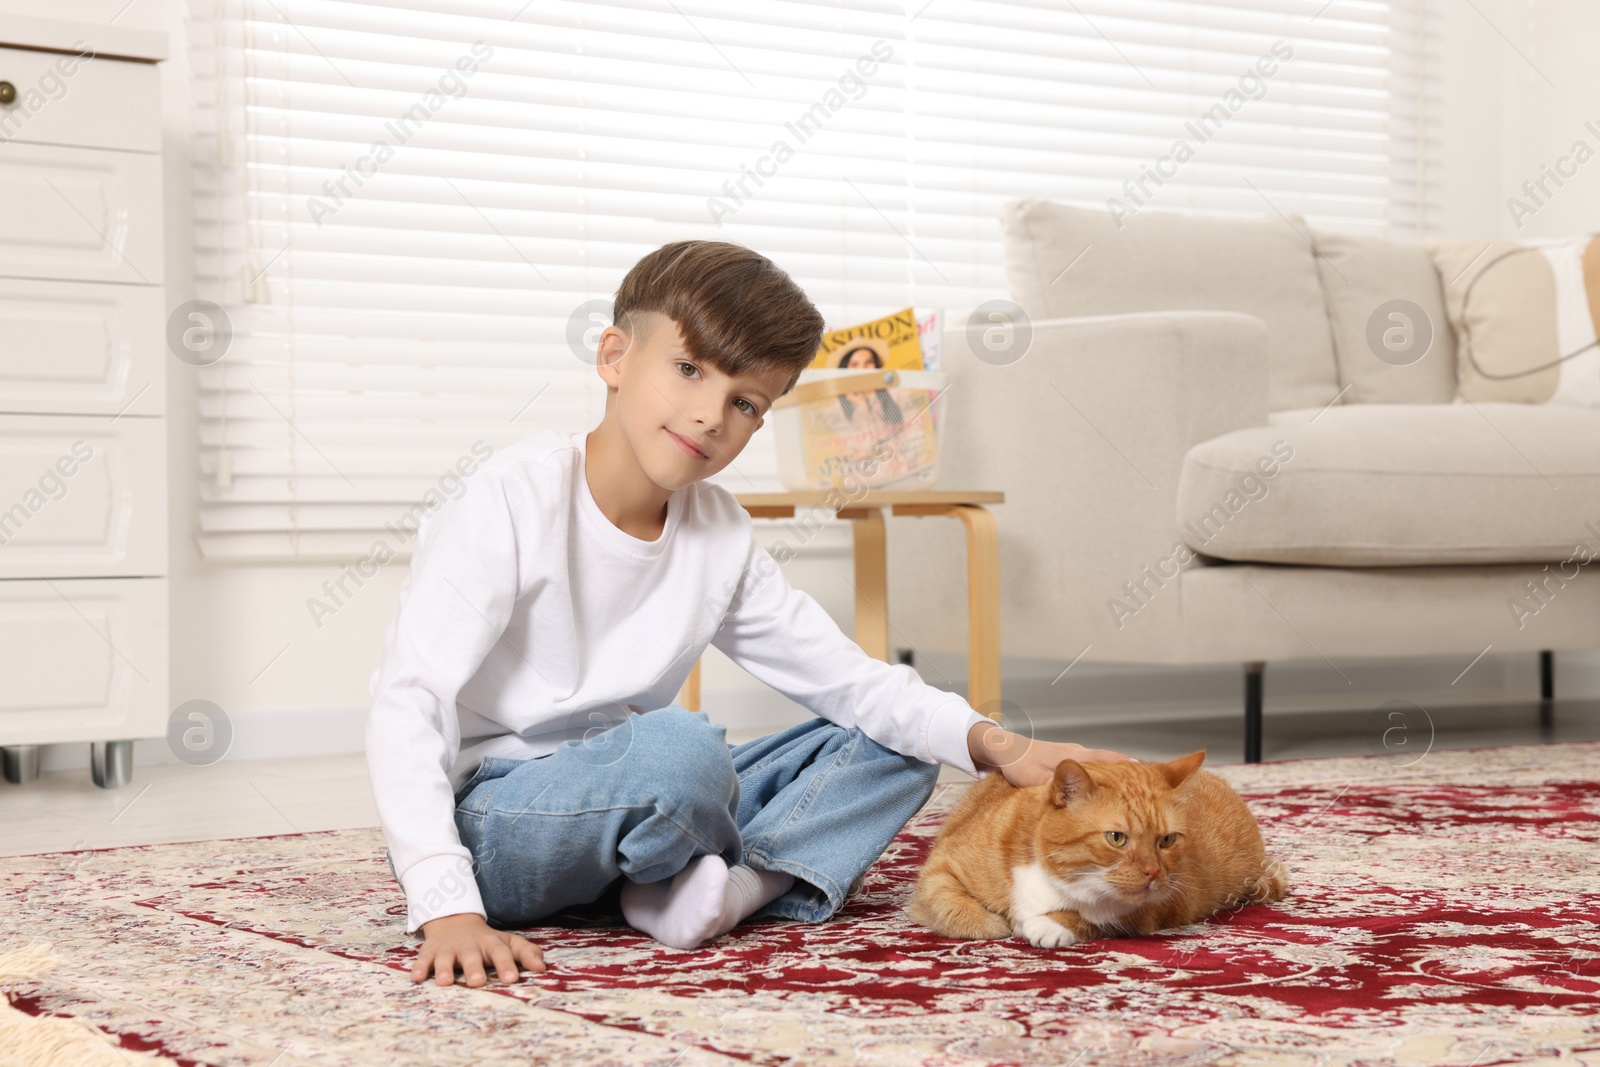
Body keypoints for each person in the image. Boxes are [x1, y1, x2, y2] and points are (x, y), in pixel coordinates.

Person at [364, 239, 1134, 989]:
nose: (708, 415)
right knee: (680, 749)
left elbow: (849, 681)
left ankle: (732, 888)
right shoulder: (509, 498)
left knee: (898, 742)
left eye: (743, 402)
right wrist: (446, 905)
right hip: (505, 815)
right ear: (613, 358)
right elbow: (409, 700)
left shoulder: (719, 529)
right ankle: (685, 865)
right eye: (688, 369)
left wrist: (997, 743)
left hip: (652, 797)